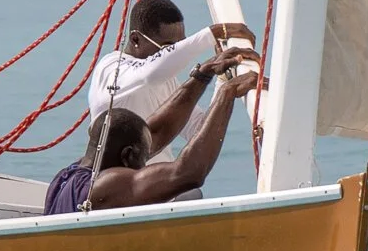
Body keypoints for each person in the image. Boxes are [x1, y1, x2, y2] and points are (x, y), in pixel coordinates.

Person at [46, 46, 260, 215]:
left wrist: (202, 76)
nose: (147, 158)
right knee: (189, 192)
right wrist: (227, 94)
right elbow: (187, 173)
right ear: (127, 155)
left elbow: (156, 132)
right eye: (143, 155)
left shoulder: (66, 177)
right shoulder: (106, 186)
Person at [88, 0, 255, 164]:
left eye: (181, 45)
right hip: (117, 185)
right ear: (135, 39)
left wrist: (222, 81)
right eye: (170, 48)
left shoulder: (166, 80)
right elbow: (149, 75)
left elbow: (197, 130)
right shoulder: (112, 69)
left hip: (157, 185)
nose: (176, 53)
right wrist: (213, 34)